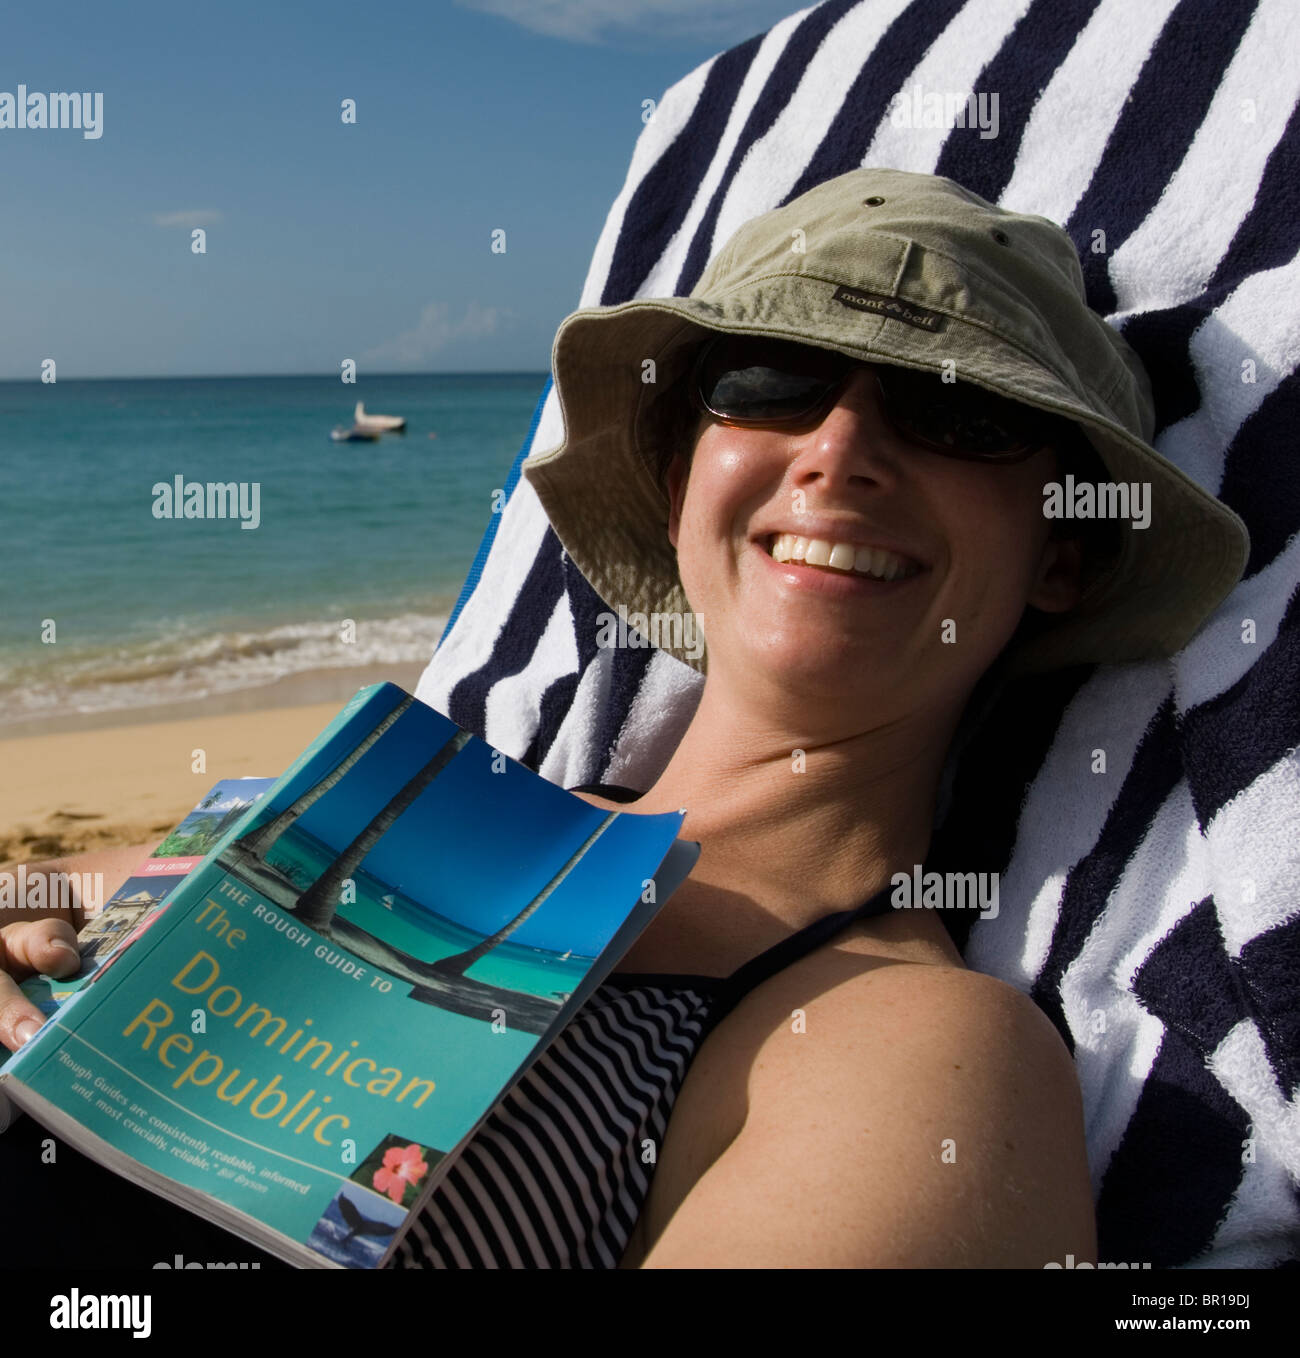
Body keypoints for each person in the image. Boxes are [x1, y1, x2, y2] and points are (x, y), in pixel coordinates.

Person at [0, 168, 1248, 1269]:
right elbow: (45, 904)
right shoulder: (369, 818)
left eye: (959, 409)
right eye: (774, 380)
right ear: (675, 482)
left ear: (1062, 556)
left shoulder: (916, 1054)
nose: (841, 448)